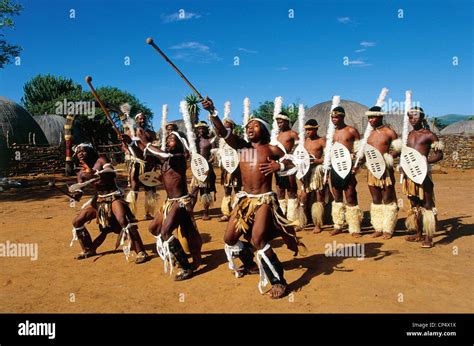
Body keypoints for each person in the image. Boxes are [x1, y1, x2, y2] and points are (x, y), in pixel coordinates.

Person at [204, 97, 305, 299]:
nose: (250, 127)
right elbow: (223, 133)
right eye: (248, 125)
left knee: (258, 238)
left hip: (264, 200)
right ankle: (250, 264)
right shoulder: (243, 147)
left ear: (265, 131)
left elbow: (297, 164)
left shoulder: (271, 149)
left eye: (255, 125)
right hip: (244, 200)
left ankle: (278, 281)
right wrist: (213, 112)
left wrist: (280, 166)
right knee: (229, 238)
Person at [132, 129, 203, 280]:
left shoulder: (179, 158)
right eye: (168, 139)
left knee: (166, 232)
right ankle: (177, 251)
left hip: (181, 202)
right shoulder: (164, 161)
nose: (169, 141)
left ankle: (185, 267)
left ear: (179, 143)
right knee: (154, 228)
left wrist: (146, 142)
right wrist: (131, 143)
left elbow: (163, 155)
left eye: (172, 139)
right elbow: (142, 157)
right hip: (169, 203)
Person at [70, 143, 148, 263]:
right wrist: (75, 195)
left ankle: (141, 251)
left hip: (113, 196)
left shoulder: (101, 160)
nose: (80, 153)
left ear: (90, 151)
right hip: (99, 200)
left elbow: (111, 172)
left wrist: (95, 173)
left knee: (123, 220)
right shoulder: (81, 173)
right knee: (77, 221)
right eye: (78, 152)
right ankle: (88, 249)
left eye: (83, 150)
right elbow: (79, 190)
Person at [402, 107, 444, 248]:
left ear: (421, 117)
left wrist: (426, 161)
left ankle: (429, 236)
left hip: (424, 175)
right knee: (414, 205)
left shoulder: (429, 135)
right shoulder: (407, 135)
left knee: (427, 205)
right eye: (410, 117)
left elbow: (439, 155)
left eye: (415, 116)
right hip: (409, 176)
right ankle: (419, 233)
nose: (412, 119)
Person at [362, 106, 402, 239]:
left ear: (380, 117)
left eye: (372, 117)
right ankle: (378, 227)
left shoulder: (390, 132)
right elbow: (364, 153)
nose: (370, 120)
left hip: (385, 171)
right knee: (376, 199)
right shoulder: (368, 134)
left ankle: (388, 229)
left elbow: (399, 149)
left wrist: (389, 156)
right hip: (371, 171)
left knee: (387, 198)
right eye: (369, 118)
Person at [329, 106, 363, 237]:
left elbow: (360, 151)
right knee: (337, 197)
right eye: (332, 117)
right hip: (334, 168)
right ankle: (338, 225)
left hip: (348, 167)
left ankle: (354, 227)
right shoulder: (330, 133)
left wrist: (357, 165)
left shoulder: (351, 130)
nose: (334, 120)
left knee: (350, 196)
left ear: (343, 117)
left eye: (336, 117)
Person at [123, 112, 158, 220]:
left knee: (150, 188)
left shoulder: (151, 133)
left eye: (143, 119)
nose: (142, 121)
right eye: (140, 119)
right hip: (136, 163)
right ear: (136, 120)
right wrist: (127, 152)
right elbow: (124, 146)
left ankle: (148, 213)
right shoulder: (129, 132)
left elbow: (154, 147)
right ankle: (131, 214)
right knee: (134, 187)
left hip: (149, 164)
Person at [299, 119, 327, 233]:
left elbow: (327, 159)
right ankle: (302, 221)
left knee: (318, 196)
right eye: (306, 130)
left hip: (317, 171)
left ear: (316, 129)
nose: (308, 132)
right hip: (304, 172)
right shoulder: (303, 141)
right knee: (303, 197)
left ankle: (318, 224)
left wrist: (316, 161)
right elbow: (298, 156)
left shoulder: (321, 141)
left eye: (310, 129)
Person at [273, 111, 300, 222]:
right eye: (278, 122)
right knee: (280, 190)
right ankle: (282, 217)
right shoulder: (276, 136)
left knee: (291, 191)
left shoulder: (293, 134)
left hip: (289, 166)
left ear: (287, 121)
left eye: (281, 122)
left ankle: (292, 218)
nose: (279, 124)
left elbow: (299, 149)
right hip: (278, 166)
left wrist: (290, 158)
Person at [191, 121, 217, 220]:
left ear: (206, 129)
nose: (201, 130)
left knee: (205, 191)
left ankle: (206, 213)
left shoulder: (211, 140)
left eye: (203, 128)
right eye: (199, 128)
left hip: (206, 169)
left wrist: (206, 163)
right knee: (193, 191)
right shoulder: (194, 142)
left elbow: (213, 155)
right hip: (196, 169)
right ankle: (190, 212)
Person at [219, 118, 242, 222]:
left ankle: (238, 211)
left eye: (228, 126)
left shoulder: (237, 138)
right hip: (225, 168)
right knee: (227, 190)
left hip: (236, 168)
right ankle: (226, 213)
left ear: (232, 127)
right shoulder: (221, 140)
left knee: (237, 189)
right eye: (224, 126)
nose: (225, 127)